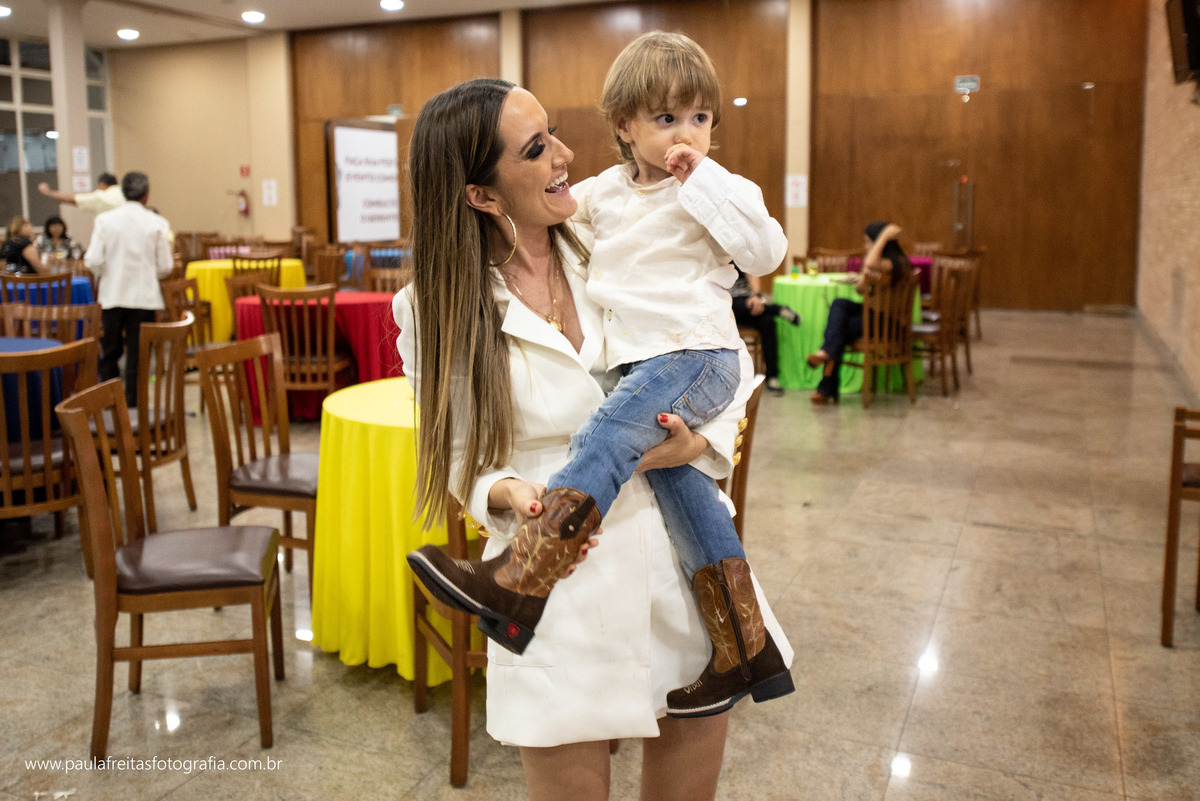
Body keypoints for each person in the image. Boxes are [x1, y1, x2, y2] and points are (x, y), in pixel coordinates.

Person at [394, 77, 792, 800]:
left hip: (679, 554)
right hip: (557, 576)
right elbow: (454, 448)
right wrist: (499, 490)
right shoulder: (431, 306)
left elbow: (715, 350)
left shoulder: (612, 234)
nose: (566, 155)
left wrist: (702, 445)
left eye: (555, 133)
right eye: (537, 148)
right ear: (482, 195)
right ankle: (518, 582)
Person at [84, 171, 173, 408]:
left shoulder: (105, 220)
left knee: (110, 352)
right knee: (138, 355)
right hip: (145, 298)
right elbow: (165, 266)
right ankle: (133, 406)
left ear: (122, 192)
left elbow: (92, 260)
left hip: (112, 295)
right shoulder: (157, 222)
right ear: (146, 195)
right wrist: (146, 274)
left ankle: (111, 405)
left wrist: (108, 273)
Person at [807, 221, 910, 404]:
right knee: (839, 305)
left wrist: (884, 236)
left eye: (868, 242)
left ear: (880, 244)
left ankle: (826, 384)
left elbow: (870, 262)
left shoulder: (895, 263)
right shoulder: (879, 264)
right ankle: (827, 357)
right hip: (872, 316)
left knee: (839, 330)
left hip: (887, 322)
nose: (865, 247)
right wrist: (866, 275)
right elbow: (860, 290)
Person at [730, 266, 801, 395]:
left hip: (748, 303)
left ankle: (772, 376)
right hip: (726, 304)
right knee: (737, 305)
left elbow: (751, 273)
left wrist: (756, 296)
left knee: (768, 321)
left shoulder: (740, 252)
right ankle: (777, 309)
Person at [38, 172, 124, 215]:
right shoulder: (124, 192)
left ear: (101, 184)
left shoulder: (101, 196)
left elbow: (69, 199)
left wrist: (48, 192)